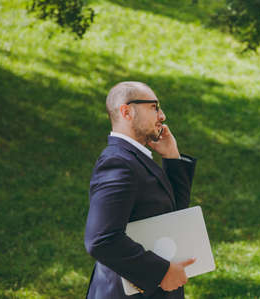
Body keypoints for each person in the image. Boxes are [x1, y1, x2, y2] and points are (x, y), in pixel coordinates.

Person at [84, 81, 197, 298]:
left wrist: (172, 156)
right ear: (127, 111)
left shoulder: (135, 159)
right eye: (154, 107)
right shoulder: (117, 163)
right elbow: (101, 239)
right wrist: (162, 271)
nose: (162, 115)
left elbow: (174, 217)